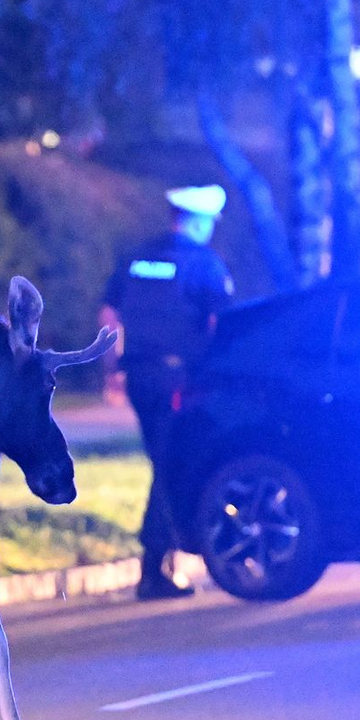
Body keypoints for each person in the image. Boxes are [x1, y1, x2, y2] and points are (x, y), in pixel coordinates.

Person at [101, 185, 235, 600]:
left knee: (163, 461)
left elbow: (108, 314)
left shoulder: (138, 259)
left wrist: (111, 370)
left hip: (140, 377)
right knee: (171, 466)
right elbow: (222, 324)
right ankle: (154, 566)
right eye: (208, 224)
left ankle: (159, 563)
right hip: (181, 380)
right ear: (196, 221)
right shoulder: (204, 264)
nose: (210, 231)